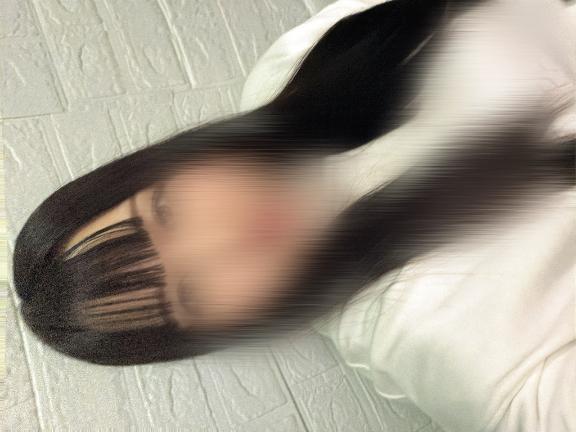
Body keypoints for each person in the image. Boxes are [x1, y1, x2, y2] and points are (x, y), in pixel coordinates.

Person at [13, 1, 576, 430]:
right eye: (194, 290)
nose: (228, 240)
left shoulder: (294, 67)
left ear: (157, 167)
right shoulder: (461, 357)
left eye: (167, 211)